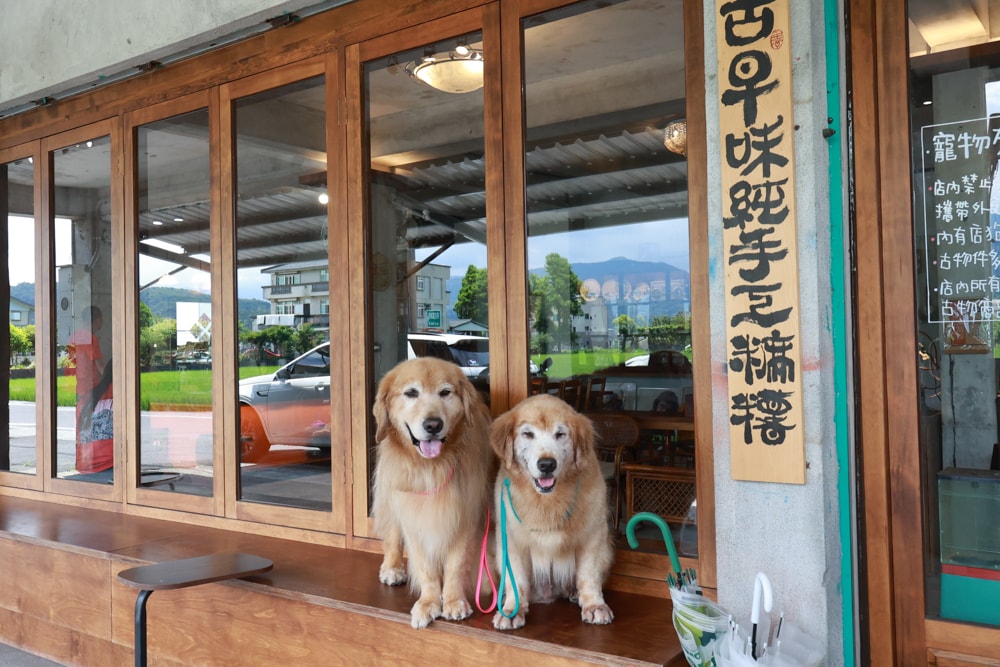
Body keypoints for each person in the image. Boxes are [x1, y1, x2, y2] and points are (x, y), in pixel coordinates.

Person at [68, 305, 114, 473]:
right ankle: (99, 459)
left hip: (80, 387)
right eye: (101, 318)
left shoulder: (74, 337)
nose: (103, 321)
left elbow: (72, 362)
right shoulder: (90, 338)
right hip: (92, 386)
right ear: (97, 319)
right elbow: (100, 363)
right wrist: (110, 380)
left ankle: (84, 459)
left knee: (84, 426)